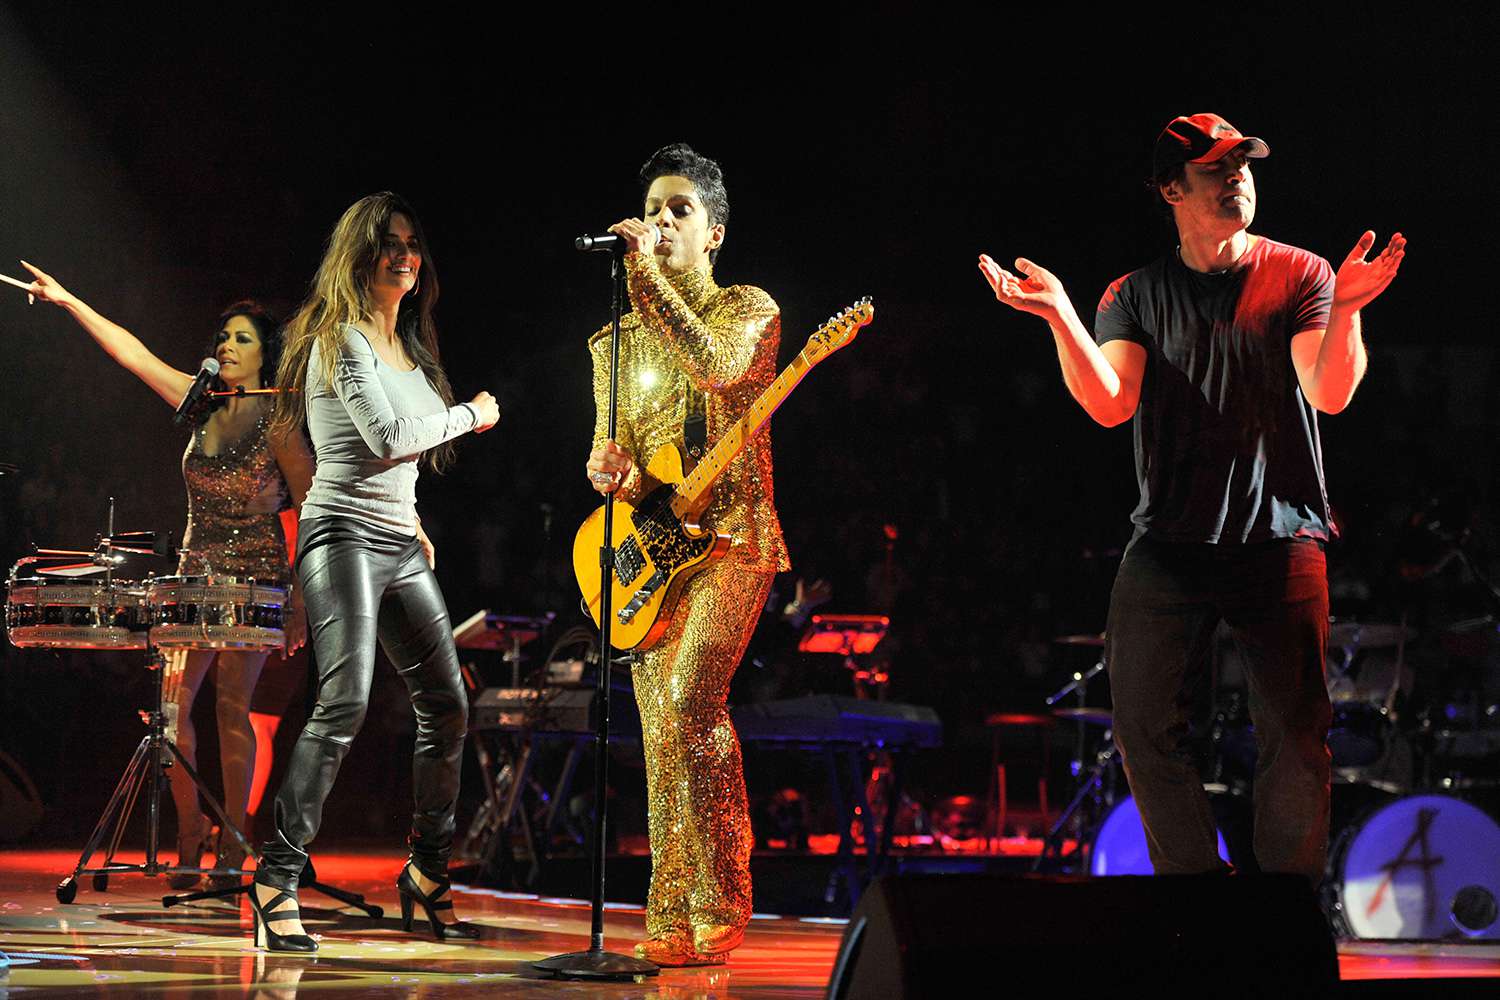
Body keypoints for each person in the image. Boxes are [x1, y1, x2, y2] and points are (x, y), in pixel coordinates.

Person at [978, 113, 1405, 880]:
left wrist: (1348, 307)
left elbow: (1330, 392)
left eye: (1245, 165)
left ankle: (1284, 922)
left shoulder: (1304, 275)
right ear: (1172, 189)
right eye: (1217, 170)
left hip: (1280, 539)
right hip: (1171, 545)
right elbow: (1111, 402)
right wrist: (1061, 315)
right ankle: (1198, 902)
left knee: (1297, 735)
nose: (1238, 177)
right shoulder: (1134, 295)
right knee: (1141, 726)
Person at [250, 192, 499, 952]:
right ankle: (276, 877)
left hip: (395, 539)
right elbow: (389, 437)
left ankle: (427, 871)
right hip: (340, 535)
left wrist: (414, 519)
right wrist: (475, 414)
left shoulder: (410, 350)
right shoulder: (338, 338)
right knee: (346, 699)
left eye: (411, 243)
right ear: (357, 257)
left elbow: (394, 466)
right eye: (387, 244)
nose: (403, 254)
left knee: (449, 703)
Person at [22, 265, 313, 889]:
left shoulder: (281, 420)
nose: (226, 347)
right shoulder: (198, 402)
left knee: (233, 709)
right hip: (193, 571)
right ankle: (190, 831)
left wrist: (301, 602)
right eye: (223, 337)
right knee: (170, 708)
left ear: (266, 355)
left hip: (257, 576)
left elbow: (309, 507)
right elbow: (132, 353)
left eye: (241, 339)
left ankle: (235, 846)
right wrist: (71, 299)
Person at [584, 143, 788, 965]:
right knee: (659, 730)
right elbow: (612, 449)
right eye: (654, 208)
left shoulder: (750, 309)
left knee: (693, 702)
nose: (662, 221)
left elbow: (715, 369)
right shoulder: (611, 344)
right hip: (654, 554)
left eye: (680, 211)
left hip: (736, 540)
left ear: (715, 234)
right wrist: (609, 471)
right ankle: (668, 908)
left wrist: (645, 277)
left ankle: (724, 896)